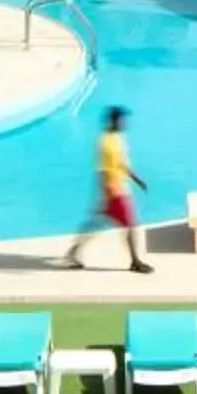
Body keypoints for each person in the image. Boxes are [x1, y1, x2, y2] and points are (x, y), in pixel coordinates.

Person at [60, 106, 151, 273]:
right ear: (114, 120)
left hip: (119, 188)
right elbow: (102, 170)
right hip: (115, 190)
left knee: (96, 223)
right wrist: (107, 193)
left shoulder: (118, 137)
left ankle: (72, 253)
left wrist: (137, 179)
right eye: (121, 119)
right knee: (129, 225)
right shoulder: (105, 142)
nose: (125, 122)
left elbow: (122, 163)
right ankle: (135, 262)